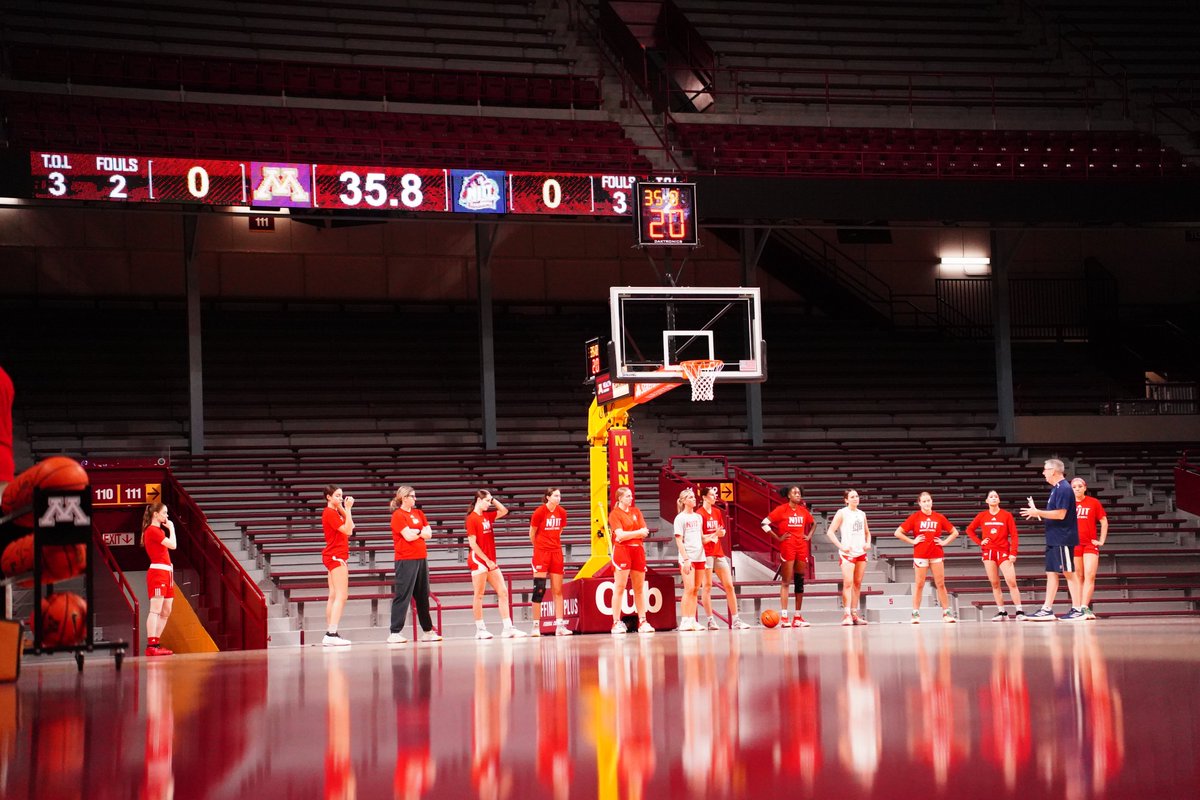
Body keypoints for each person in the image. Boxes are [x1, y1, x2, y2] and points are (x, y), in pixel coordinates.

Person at [1020, 459, 1083, 621]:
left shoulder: (1064, 488)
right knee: (1051, 572)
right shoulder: (1056, 489)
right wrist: (1038, 513)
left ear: (1053, 471)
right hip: (1054, 538)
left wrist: (1037, 512)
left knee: (1069, 572)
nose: (1043, 473)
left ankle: (1078, 609)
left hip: (1063, 537)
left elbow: (1061, 514)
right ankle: (1047, 609)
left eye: (1045, 470)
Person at [466, 490, 526, 639]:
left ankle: (508, 628)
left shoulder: (487, 515)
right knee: (479, 595)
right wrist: (486, 560)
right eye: (486, 501)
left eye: (489, 501)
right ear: (479, 500)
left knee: (503, 592)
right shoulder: (471, 518)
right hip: (478, 559)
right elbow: (472, 544)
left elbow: (504, 511)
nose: (489, 504)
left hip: (490, 560)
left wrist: (493, 500)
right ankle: (480, 629)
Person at [387, 485, 442, 644]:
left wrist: (415, 531)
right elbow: (408, 536)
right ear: (404, 498)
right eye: (412, 496)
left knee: (423, 595)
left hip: (421, 558)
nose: (415, 499)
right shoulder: (398, 515)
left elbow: (429, 534)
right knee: (403, 595)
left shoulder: (419, 513)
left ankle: (427, 631)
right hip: (405, 559)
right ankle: (395, 632)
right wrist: (420, 532)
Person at [894, 492, 960, 624]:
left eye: (928, 500)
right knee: (919, 584)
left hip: (936, 554)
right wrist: (912, 541)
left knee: (940, 584)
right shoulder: (915, 517)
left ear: (932, 501)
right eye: (924, 501)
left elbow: (955, 532)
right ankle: (915, 614)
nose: (927, 503)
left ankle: (946, 613)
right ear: (919, 503)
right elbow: (898, 532)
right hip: (920, 555)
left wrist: (944, 542)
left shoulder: (939, 517)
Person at [760, 485, 815, 628]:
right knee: (786, 582)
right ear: (788, 496)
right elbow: (764, 523)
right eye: (795, 492)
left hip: (801, 547)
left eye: (799, 492)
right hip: (787, 547)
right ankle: (784, 617)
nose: (798, 494)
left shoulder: (804, 511)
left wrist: (808, 536)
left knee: (799, 581)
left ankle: (797, 617)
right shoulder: (781, 510)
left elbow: (814, 523)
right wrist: (778, 538)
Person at [966, 491, 1025, 621]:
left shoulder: (1006, 515)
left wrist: (1013, 552)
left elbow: (1014, 535)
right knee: (994, 583)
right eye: (991, 497)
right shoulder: (982, 515)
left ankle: (1019, 611)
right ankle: (1002, 612)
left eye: (996, 496)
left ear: (999, 500)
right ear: (987, 501)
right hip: (988, 552)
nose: (993, 498)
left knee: (1011, 581)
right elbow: (969, 530)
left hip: (1004, 552)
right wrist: (980, 542)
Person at [697, 486, 751, 630]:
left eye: (715, 495)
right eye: (712, 495)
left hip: (718, 552)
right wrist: (714, 535)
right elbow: (700, 538)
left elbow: (721, 530)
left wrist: (720, 533)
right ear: (704, 497)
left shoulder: (717, 512)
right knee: (707, 586)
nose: (715, 497)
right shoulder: (699, 514)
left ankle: (736, 620)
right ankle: (710, 620)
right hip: (705, 553)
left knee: (729, 586)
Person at [608, 486, 655, 635]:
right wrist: (637, 533)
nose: (631, 498)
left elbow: (645, 532)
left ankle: (643, 621)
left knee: (639, 588)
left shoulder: (636, 512)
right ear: (620, 498)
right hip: (622, 551)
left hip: (638, 550)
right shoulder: (614, 514)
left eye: (631, 496)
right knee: (620, 587)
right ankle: (616, 622)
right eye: (628, 496)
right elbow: (620, 536)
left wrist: (635, 534)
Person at [529, 487, 572, 637]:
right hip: (541, 553)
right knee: (539, 588)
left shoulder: (562, 512)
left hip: (556, 552)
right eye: (555, 495)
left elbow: (560, 531)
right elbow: (532, 533)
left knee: (558, 590)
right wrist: (540, 547)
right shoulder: (539, 512)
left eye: (560, 495)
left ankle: (560, 625)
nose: (558, 498)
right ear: (547, 497)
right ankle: (535, 626)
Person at [826, 489, 871, 626]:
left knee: (857, 584)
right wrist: (841, 546)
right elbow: (830, 532)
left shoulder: (862, 514)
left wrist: (868, 543)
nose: (855, 498)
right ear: (846, 500)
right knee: (848, 583)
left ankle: (854, 614)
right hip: (848, 554)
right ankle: (846, 615)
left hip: (861, 553)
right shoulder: (842, 513)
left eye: (857, 496)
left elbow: (867, 533)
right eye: (852, 497)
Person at [141, 502, 176, 656]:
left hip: (167, 572)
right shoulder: (152, 530)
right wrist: (172, 528)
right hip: (158, 573)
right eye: (164, 513)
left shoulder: (157, 531)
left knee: (166, 610)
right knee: (155, 610)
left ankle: (156, 643)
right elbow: (173, 545)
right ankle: (152, 645)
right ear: (155, 514)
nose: (166, 516)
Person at [321, 484, 355, 646]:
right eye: (337, 496)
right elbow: (348, 531)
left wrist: (343, 507)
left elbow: (352, 526)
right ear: (328, 497)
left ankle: (330, 632)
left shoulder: (335, 511)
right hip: (336, 555)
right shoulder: (329, 513)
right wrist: (347, 508)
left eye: (341, 495)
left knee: (334, 594)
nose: (340, 498)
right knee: (342, 595)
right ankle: (331, 633)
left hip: (333, 555)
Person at [1071, 478, 1108, 621]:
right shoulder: (1068, 504)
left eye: (1080, 486)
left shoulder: (1094, 502)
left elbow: (1103, 521)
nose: (1077, 489)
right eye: (1074, 487)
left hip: (1090, 544)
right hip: (1074, 544)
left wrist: (1102, 540)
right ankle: (1079, 608)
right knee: (1078, 576)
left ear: (1085, 487)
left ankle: (1085, 607)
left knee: (1090, 575)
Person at [673, 487, 705, 632]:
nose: (694, 499)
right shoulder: (680, 518)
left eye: (694, 497)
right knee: (688, 588)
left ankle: (693, 620)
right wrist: (686, 559)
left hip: (700, 556)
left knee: (696, 589)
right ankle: (684, 620)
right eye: (691, 497)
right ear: (684, 501)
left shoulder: (698, 517)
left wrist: (715, 535)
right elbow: (679, 541)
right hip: (688, 557)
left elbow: (702, 537)